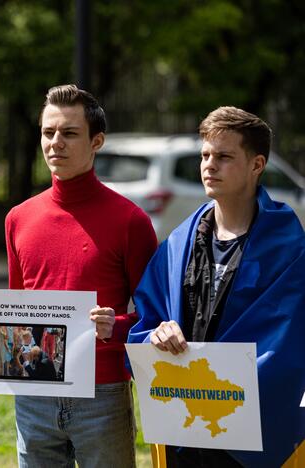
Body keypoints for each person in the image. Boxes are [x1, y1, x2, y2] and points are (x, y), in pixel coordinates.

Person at [0, 84, 157, 467]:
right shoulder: (18, 218)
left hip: (103, 390)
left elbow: (155, 315)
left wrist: (118, 324)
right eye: (48, 132)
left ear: (96, 141)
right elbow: (18, 310)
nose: (55, 143)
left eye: (69, 133)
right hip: (34, 392)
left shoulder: (130, 221)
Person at [128, 107, 305, 467]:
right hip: (183, 425)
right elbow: (147, 322)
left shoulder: (289, 247)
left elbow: (291, 342)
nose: (209, 165)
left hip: (248, 430)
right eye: (205, 155)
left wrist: (223, 396)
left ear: (257, 165)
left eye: (224, 157)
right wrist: (156, 336)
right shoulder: (179, 243)